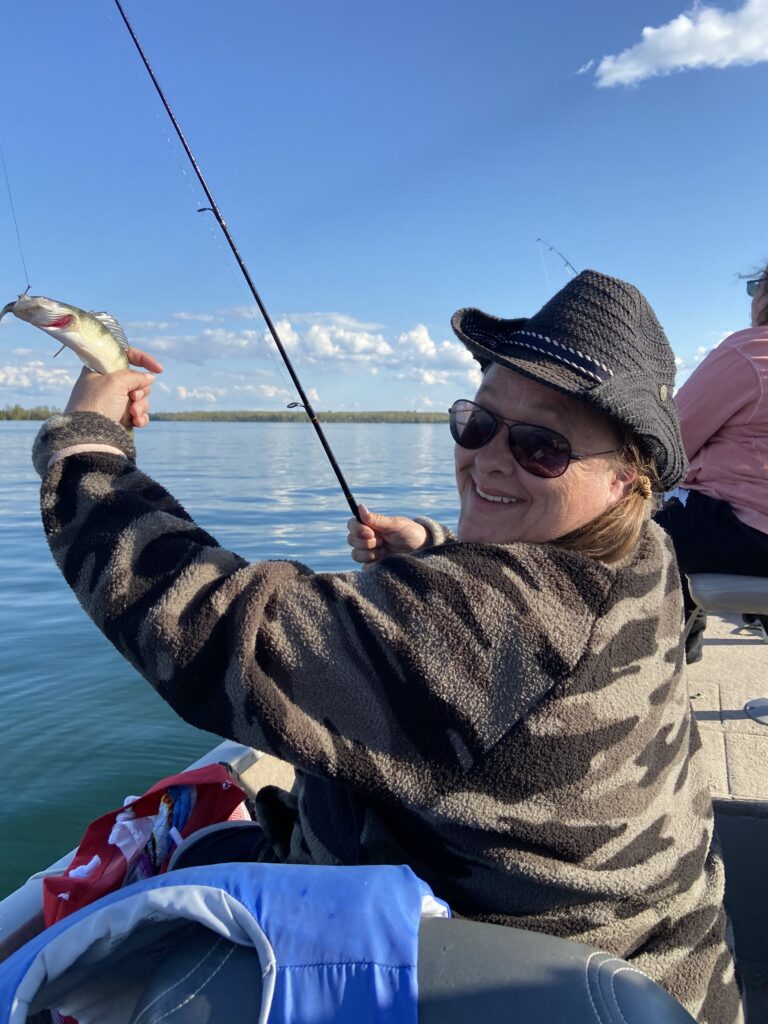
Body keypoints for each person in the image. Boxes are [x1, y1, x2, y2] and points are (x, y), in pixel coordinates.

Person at [31, 270, 742, 1022]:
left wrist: (87, 447)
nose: (491, 458)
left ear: (626, 477)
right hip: (671, 973)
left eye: (542, 446)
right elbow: (550, 633)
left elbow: (210, 626)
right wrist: (434, 546)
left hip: (529, 990)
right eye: (477, 423)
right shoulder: (648, 557)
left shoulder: (486, 624)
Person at [655, 266, 768, 663]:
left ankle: (669, 659)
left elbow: (669, 444)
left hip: (752, 540)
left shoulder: (750, 351)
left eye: (756, 286)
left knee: (632, 530)